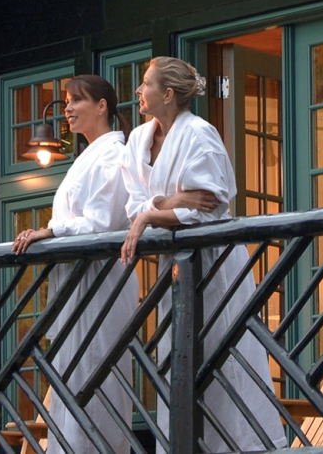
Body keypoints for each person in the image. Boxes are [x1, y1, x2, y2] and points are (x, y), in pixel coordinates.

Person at [120, 57, 285, 453]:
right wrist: (158, 207)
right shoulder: (139, 139)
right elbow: (135, 204)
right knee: (179, 361)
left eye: (146, 84)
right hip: (174, 270)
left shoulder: (199, 134)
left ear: (169, 94)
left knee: (222, 356)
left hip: (212, 264)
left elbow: (207, 201)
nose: (140, 91)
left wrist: (151, 212)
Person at [12, 75, 138, 454]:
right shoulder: (88, 157)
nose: (66, 108)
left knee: (96, 373)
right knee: (71, 372)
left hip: (99, 283)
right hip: (76, 282)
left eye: (75, 100)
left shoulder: (115, 154)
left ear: (102, 106)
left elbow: (103, 222)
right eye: (66, 101)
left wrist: (51, 232)